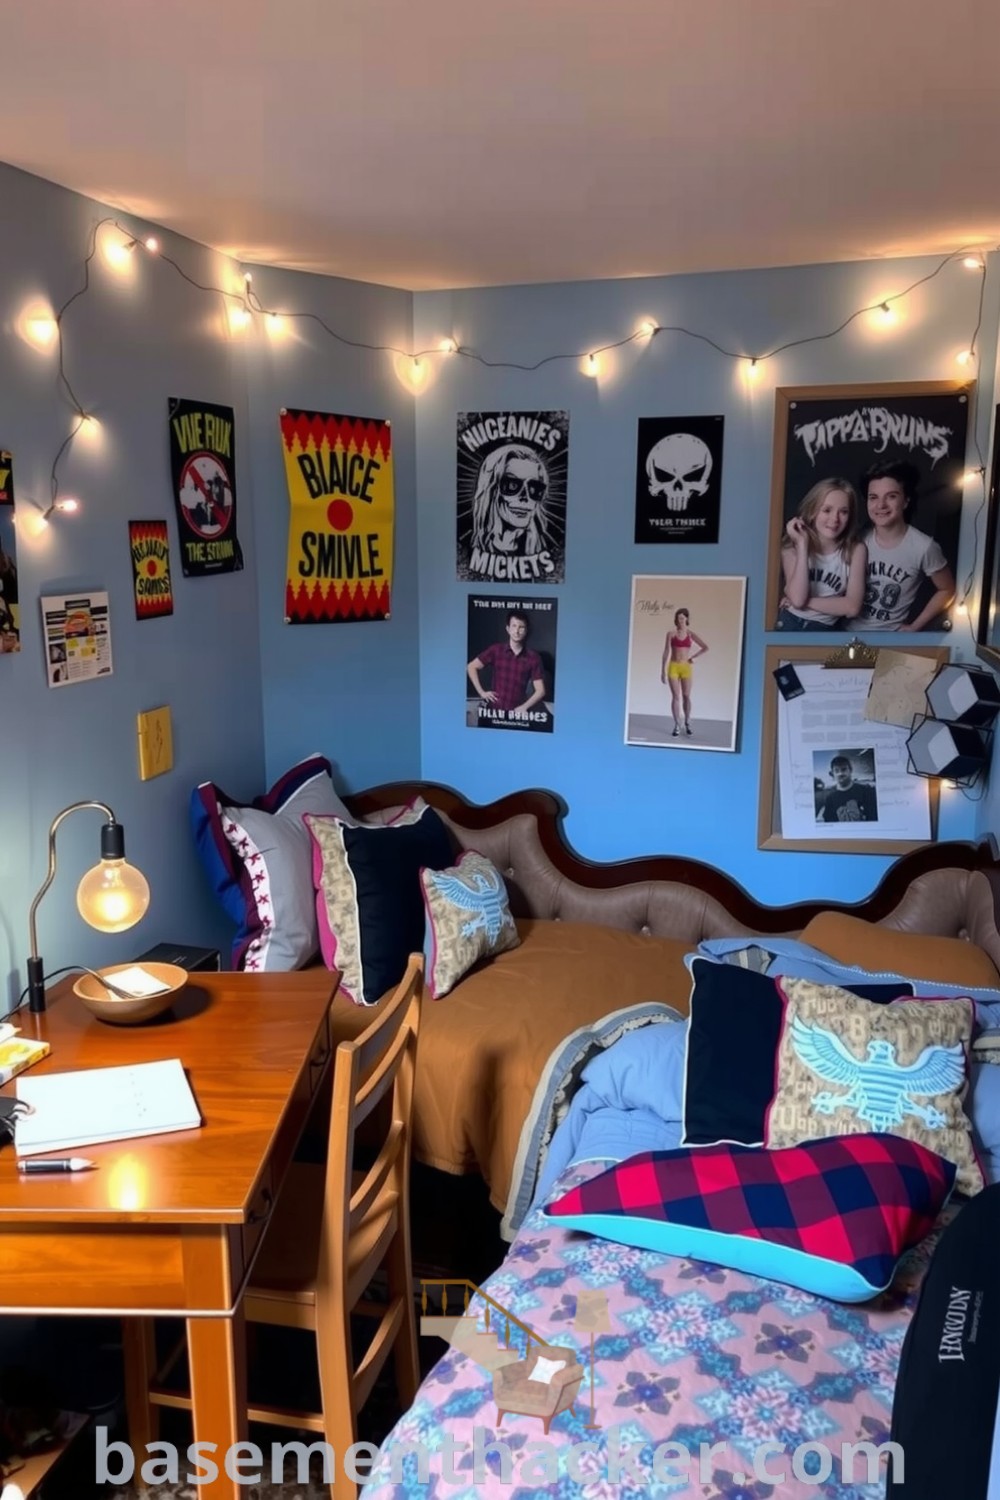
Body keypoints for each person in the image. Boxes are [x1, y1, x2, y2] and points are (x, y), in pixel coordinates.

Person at [848, 460, 955, 631]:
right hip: (844, 636)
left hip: (891, 641)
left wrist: (914, 626)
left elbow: (947, 590)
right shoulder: (856, 539)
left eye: (891, 496)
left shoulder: (924, 547)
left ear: (906, 501)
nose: (881, 505)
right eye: (873, 497)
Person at [778, 477, 866, 630]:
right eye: (827, 510)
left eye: (843, 512)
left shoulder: (856, 550)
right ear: (813, 511)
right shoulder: (791, 547)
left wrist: (806, 601)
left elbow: (852, 607)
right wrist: (803, 545)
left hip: (824, 629)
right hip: (790, 622)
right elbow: (798, 599)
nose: (835, 519)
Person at [470, 445, 552, 559]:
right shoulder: (469, 554)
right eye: (512, 485)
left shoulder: (541, 552)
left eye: (534, 489)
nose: (525, 497)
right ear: (492, 491)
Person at [467, 610, 546, 720]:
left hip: (516, 714)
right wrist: (481, 692)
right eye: (514, 626)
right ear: (508, 629)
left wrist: (524, 707)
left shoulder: (533, 657)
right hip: (493, 712)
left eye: (521, 627)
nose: (517, 631)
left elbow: (540, 690)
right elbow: (471, 666)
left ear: (526, 630)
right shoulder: (496, 650)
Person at [660, 607, 708, 737]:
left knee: (686, 696)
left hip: (685, 667)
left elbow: (705, 647)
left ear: (686, 619)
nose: (680, 620)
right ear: (676, 620)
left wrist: (693, 657)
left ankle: (687, 721)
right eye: (678, 618)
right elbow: (666, 652)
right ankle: (677, 724)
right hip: (673, 666)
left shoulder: (691, 634)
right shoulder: (671, 634)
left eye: (682, 618)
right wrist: (662, 670)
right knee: (676, 697)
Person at [818, 753, 878, 823]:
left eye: (844, 769)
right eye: (836, 771)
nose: (840, 773)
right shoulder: (830, 799)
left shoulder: (866, 792)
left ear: (850, 770)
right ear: (832, 774)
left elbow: (873, 818)